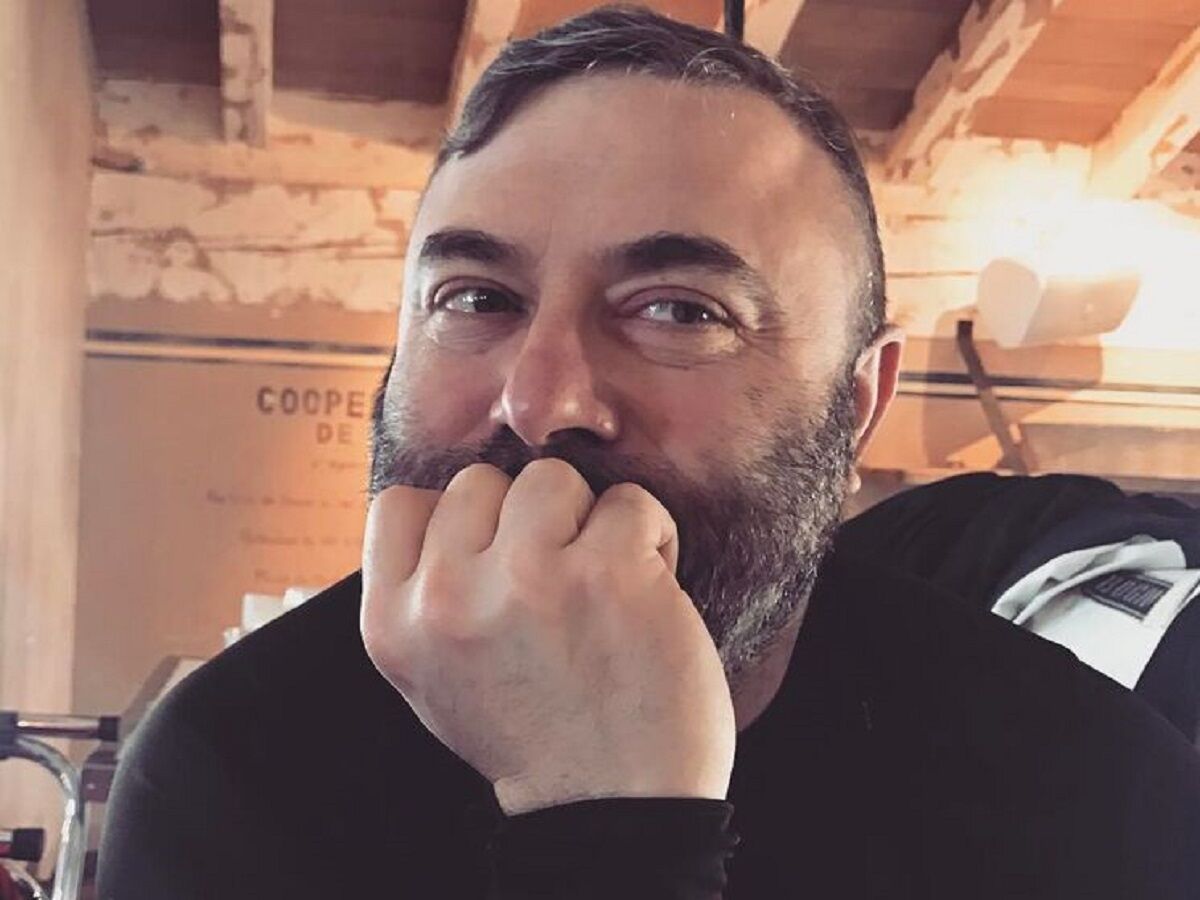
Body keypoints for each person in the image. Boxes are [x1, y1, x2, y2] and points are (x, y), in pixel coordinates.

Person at [97, 7, 1200, 899]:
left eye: (679, 310)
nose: (539, 402)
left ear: (858, 403)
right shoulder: (232, 768)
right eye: (476, 297)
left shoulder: (1092, 791)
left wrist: (610, 828)